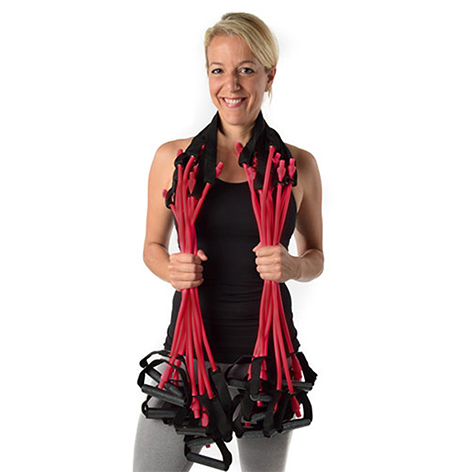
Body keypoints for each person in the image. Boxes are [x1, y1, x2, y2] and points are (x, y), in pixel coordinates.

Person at [133, 12, 324, 472]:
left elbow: (316, 255)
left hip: (268, 364)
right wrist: (170, 268)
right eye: (218, 70)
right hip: (188, 359)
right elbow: (152, 247)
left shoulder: (298, 165)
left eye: (246, 69)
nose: (231, 85)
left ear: (269, 76)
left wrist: (294, 266)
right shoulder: (173, 159)